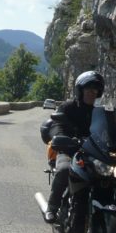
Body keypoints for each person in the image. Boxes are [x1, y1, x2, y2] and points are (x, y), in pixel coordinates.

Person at [44, 70, 107, 223]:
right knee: (65, 170)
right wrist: (61, 138)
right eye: (88, 89)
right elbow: (56, 125)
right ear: (80, 90)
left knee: (110, 175)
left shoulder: (100, 112)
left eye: (95, 90)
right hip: (69, 150)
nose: (92, 93)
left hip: (92, 153)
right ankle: (52, 207)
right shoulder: (68, 107)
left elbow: (110, 131)